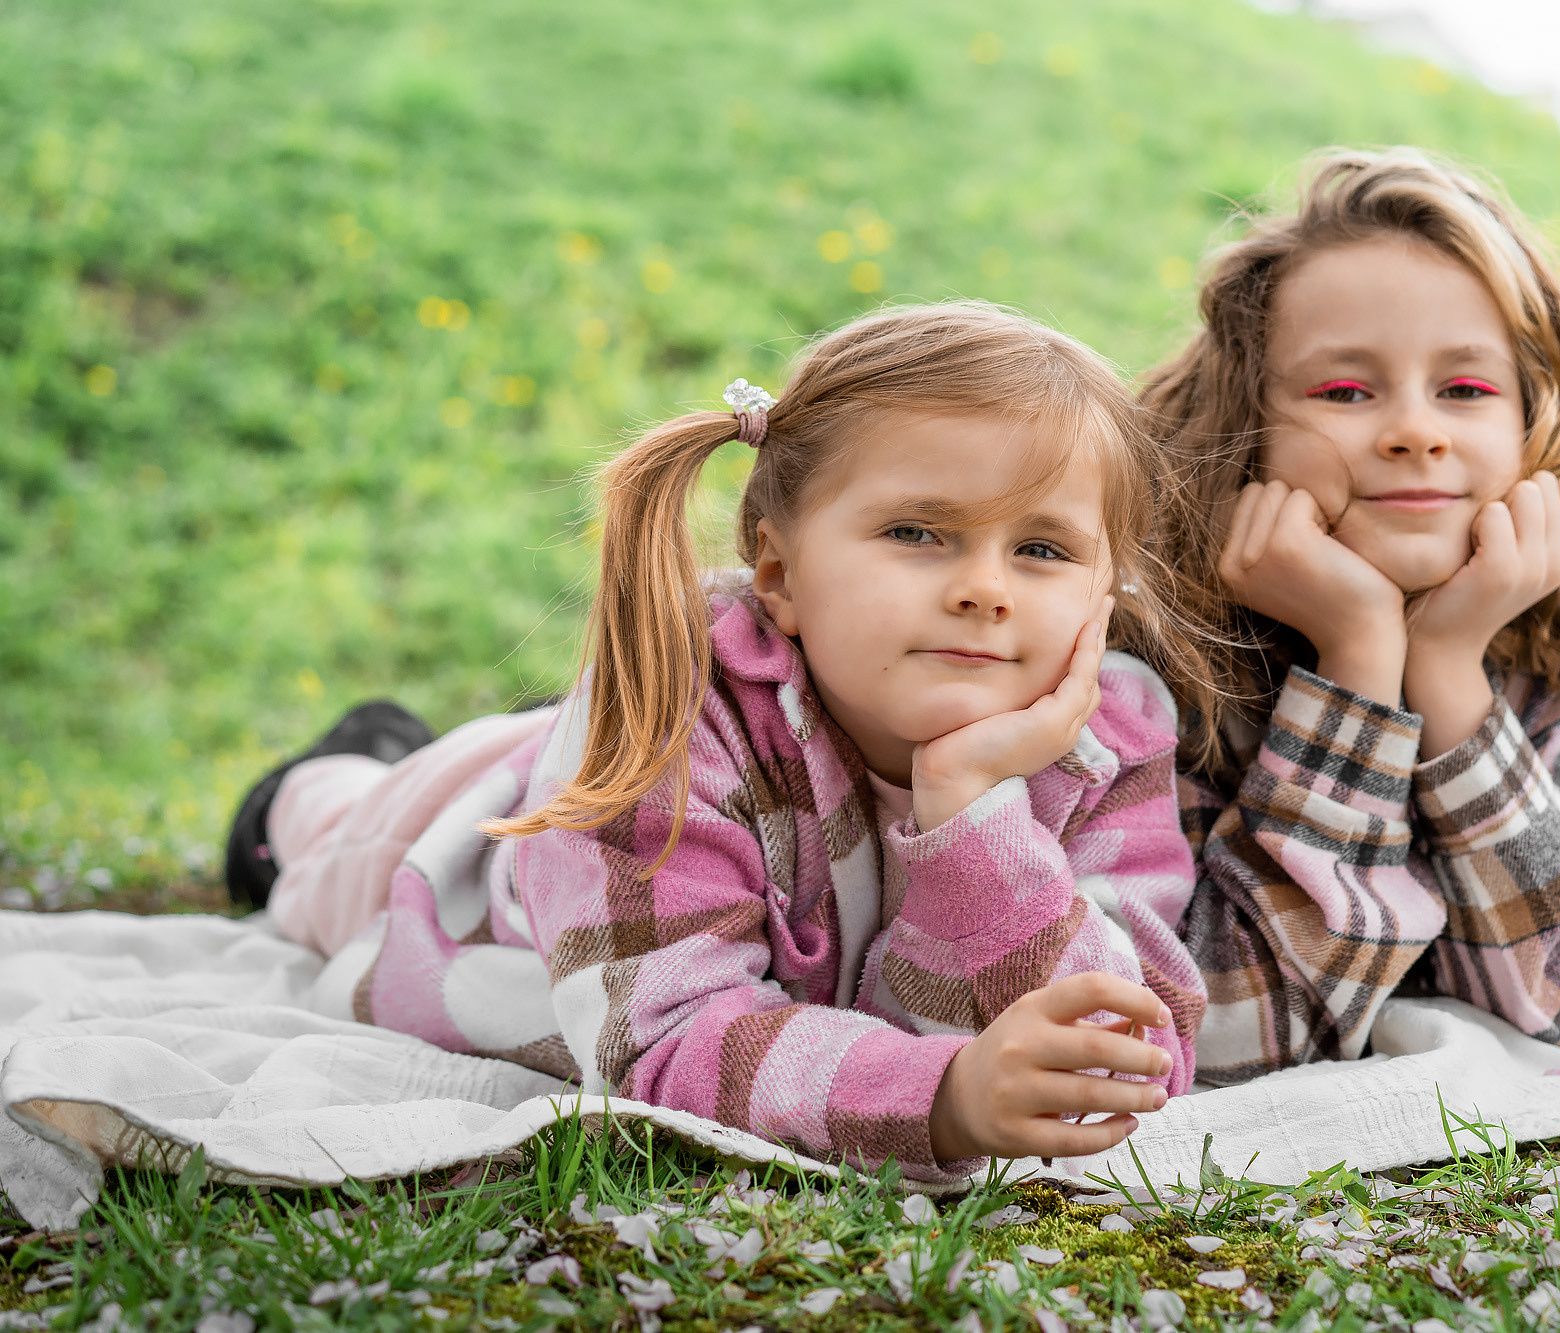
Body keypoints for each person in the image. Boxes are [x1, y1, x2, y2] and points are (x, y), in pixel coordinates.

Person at [227, 303, 1223, 1179]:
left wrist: (970, 805)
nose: (983, 587)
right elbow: (659, 1041)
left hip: (587, 766)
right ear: (778, 572)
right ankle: (332, 767)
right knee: (325, 824)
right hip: (464, 832)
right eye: (918, 532)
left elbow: (1124, 1047)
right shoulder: (663, 719)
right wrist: (943, 1096)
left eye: (1041, 549)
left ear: (1104, 594)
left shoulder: (1107, 742)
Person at [1138, 148, 1560, 1084]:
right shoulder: (1162, 669)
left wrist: (1448, 668)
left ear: (1538, 425)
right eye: (1344, 390)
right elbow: (1220, 1035)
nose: (1417, 429)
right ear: (1242, 425)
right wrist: (1358, 658)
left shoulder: (1539, 652)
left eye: (1466, 389)